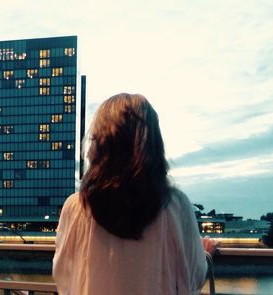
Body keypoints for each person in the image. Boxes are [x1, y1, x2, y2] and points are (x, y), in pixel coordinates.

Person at [52, 93, 216, 294]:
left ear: (100, 144)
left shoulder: (76, 206)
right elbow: (193, 276)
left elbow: (63, 274)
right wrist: (206, 254)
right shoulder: (175, 204)